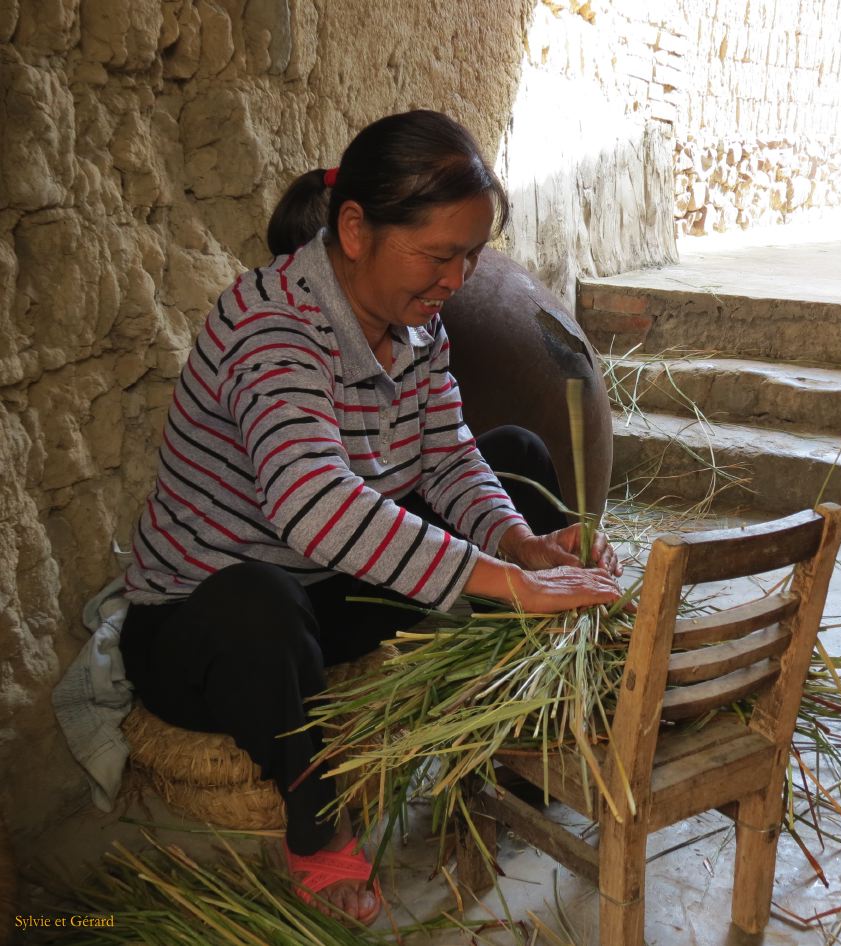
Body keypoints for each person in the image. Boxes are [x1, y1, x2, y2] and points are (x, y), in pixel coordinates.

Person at [118, 110, 624, 925]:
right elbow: (313, 504)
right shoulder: (271, 327)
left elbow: (450, 458)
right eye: (437, 255)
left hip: (324, 590)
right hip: (206, 628)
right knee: (260, 602)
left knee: (518, 459)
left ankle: (512, 730)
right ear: (354, 229)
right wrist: (501, 583)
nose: (456, 280)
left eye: (471, 256)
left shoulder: (418, 327)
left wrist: (520, 546)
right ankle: (315, 827)